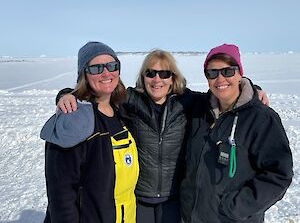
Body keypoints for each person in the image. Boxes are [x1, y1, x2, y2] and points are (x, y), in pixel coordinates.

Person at [57, 48, 269, 223]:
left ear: (172, 78)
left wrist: (253, 89)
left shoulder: (187, 102)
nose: (157, 79)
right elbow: (100, 90)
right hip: (140, 200)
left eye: (164, 74)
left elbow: (223, 91)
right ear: (143, 77)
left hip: (173, 200)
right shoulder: (129, 100)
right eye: (151, 73)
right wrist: (67, 94)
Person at [180, 44, 293, 223]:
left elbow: (278, 174)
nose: (220, 79)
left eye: (228, 71)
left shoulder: (261, 118)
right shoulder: (198, 109)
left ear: (239, 73)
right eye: (212, 73)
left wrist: (235, 208)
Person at [40, 41, 139, 223]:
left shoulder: (121, 112)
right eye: (96, 68)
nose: (106, 73)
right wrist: (67, 96)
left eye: (112, 66)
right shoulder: (73, 120)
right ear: (84, 74)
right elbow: (61, 194)